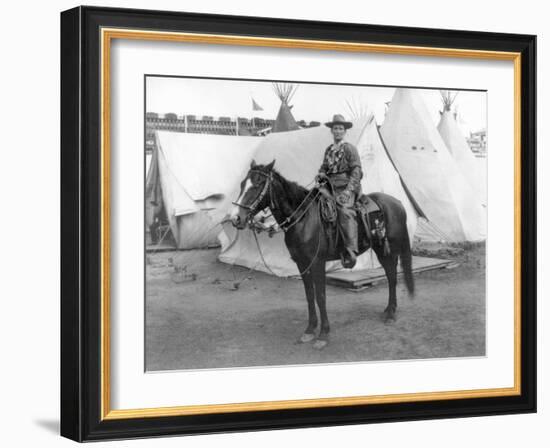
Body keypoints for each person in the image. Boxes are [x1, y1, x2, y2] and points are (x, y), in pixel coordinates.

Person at [315, 114, 363, 268]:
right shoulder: (328, 150)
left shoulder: (349, 148)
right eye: (335, 128)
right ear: (331, 131)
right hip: (329, 186)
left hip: (346, 186)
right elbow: (324, 167)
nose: (337, 131)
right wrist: (321, 173)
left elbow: (357, 171)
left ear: (345, 131)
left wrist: (349, 191)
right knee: (313, 203)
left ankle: (350, 251)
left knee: (344, 211)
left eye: (340, 129)